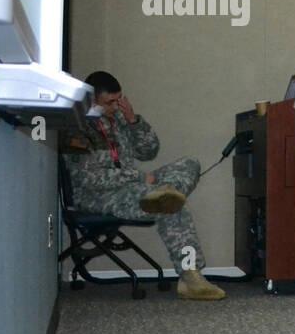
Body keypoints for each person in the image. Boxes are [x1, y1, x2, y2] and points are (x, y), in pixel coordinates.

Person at [67, 71, 224, 300]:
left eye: (119, 100)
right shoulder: (77, 127)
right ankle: (191, 275)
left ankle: (165, 193)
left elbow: (149, 151)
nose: (115, 106)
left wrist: (132, 120)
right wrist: (139, 179)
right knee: (169, 205)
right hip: (97, 196)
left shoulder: (119, 120)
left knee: (190, 164)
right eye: (110, 102)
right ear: (91, 99)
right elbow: (85, 178)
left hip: (133, 187)